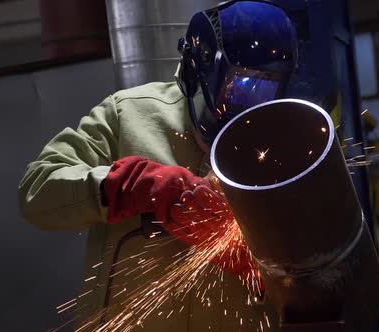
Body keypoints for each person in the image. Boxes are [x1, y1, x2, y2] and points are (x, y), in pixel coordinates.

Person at [18, 1, 298, 330]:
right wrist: (136, 185)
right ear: (204, 69)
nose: (244, 99)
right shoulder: (129, 114)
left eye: (262, 87)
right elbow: (37, 191)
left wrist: (260, 263)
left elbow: (322, 275)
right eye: (237, 84)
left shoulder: (283, 149)